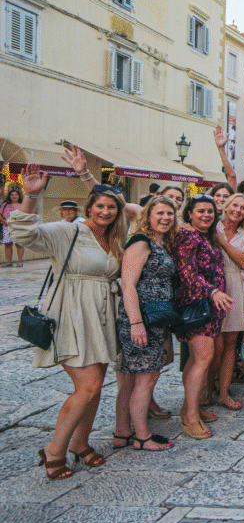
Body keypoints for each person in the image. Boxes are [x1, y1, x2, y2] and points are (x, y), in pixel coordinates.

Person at [10, 165, 125, 478]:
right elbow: (23, 234)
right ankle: (54, 451)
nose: (105, 210)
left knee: (96, 387)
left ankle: (80, 443)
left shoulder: (115, 240)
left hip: (101, 319)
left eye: (111, 206)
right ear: (89, 208)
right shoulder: (69, 231)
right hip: (71, 315)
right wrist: (32, 196)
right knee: (87, 387)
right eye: (99, 205)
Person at [112, 196, 177, 451]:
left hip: (154, 318)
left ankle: (122, 432)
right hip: (141, 319)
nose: (165, 218)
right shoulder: (140, 242)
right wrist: (136, 323)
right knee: (147, 378)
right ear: (148, 216)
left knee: (131, 379)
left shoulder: (160, 243)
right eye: (160, 213)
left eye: (169, 214)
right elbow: (127, 284)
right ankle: (142, 435)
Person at [170, 194, 234, 439]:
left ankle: (190, 406)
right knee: (203, 358)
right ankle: (191, 418)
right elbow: (186, 272)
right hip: (197, 304)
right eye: (200, 211)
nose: (206, 215)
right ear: (189, 214)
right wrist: (213, 291)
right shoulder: (186, 236)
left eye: (210, 211)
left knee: (196, 359)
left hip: (212, 305)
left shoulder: (205, 237)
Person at [210, 193, 244, 409]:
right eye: (235, 205)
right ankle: (207, 388)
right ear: (226, 205)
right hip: (212, 287)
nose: (238, 210)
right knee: (215, 346)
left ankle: (224, 392)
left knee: (231, 343)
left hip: (235, 285)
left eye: (243, 208)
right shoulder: (212, 226)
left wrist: (221, 241)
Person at [1, 185, 25, 267]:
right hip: (6, 227)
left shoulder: (22, 205)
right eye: (12, 195)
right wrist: (3, 221)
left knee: (18, 244)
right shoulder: (4, 205)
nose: (14, 196)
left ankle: (20, 262)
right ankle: (9, 262)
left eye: (16, 195)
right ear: (9, 196)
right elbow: (0, 214)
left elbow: (25, 216)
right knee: (7, 244)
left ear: (19, 196)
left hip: (17, 227)